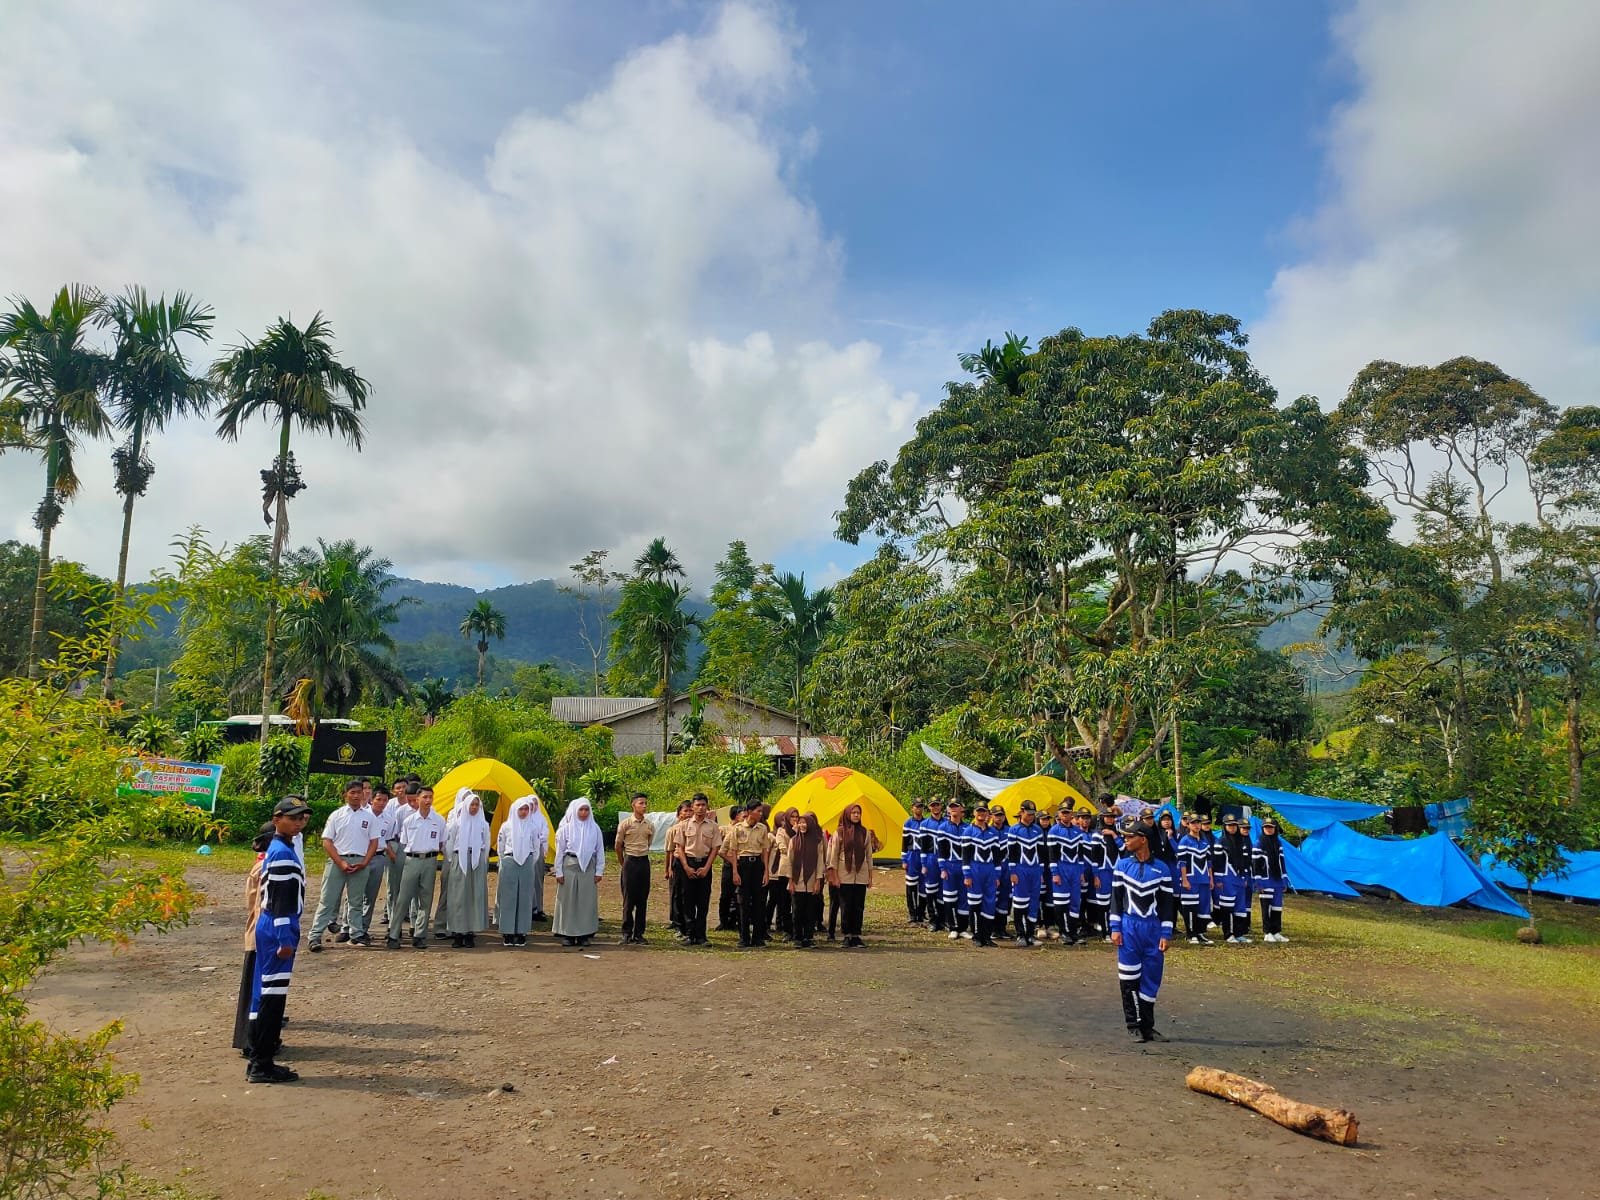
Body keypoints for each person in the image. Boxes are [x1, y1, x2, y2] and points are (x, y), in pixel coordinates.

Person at [245, 797, 310, 1083]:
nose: (299, 822)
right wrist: (285, 939)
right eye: (293, 817)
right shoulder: (283, 853)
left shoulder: (280, 846)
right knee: (272, 1000)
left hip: (270, 926)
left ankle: (258, 1059)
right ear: (277, 819)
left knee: (265, 996)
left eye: (302, 818)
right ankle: (262, 1064)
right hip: (278, 928)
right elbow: (282, 903)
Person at [1109, 816, 1175, 1042]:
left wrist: (1166, 932)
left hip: (1153, 930)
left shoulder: (1162, 869)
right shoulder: (1122, 865)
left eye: (1129, 837)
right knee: (1129, 978)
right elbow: (1116, 900)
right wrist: (1115, 927)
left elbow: (1168, 904)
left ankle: (1148, 1026)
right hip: (1129, 928)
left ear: (1143, 840)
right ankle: (1133, 1025)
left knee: (1151, 979)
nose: (1125, 840)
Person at [308, 779, 379, 951]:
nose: (355, 796)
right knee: (328, 900)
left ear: (363, 794)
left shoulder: (369, 817)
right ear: (345, 795)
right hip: (337, 861)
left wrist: (364, 862)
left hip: (360, 862)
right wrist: (340, 862)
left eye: (358, 792)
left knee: (355, 901)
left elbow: (374, 842)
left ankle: (356, 934)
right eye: (352, 792)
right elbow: (327, 841)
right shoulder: (336, 815)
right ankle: (315, 936)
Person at [232, 821, 275, 1058]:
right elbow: (258, 906)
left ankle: (255, 1040)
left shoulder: (262, 863)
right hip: (260, 936)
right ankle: (251, 1042)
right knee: (255, 994)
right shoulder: (264, 867)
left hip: (257, 934)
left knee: (256, 992)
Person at [387, 785, 446, 949]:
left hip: (430, 860)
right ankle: (393, 934)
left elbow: (441, 842)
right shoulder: (409, 821)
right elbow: (404, 842)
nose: (428, 800)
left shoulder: (439, 820)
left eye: (430, 797)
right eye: (424, 797)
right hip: (412, 860)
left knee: (425, 900)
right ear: (417, 799)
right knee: (403, 898)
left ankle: (420, 935)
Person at [553, 798, 605, 946]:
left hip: (588, 867)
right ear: (575, 811)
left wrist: (599, 870)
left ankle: (584, 934)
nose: (583, 813)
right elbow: (560, 852)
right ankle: (568, 934)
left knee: (586, 901)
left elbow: (600, 850)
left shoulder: (594, 829)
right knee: (568, 900)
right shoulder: (566, 829)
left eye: (586, 810)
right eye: (581, 810)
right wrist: (559, 872)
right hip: (570, 865)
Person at [829, 802, 880, 948]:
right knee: (846, 905)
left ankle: (856, 935)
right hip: (844, 874)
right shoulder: (839, 832)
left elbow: (869, 855)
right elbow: (834, 855)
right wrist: (834, 876)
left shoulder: (865, 832)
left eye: (858, 813)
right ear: (847, 814)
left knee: (858, 906)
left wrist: (870, 876)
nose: (856, 815)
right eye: (854, 813)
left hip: (861, 874)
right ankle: (847, 935)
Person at [497, 794, 547, 945]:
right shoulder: (506, 826)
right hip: (510, 861)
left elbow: (536, 848)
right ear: (515, 810)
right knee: (508, 897)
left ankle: (521, 931)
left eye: (526, 809)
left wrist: (530, 862)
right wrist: (505, 860)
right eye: (521, 809)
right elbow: (500, 847)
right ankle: (508, 932)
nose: (524, 812)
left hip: (527, 862)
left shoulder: (533, 827)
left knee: (525, 898)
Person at [444, 790, 490, 948]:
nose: (474, 807)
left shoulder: (483, 824)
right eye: (472, 804)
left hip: (476, 861)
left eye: (477, 804)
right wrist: (452, 859)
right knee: (458, 896)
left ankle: (470, 932)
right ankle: (458, 933)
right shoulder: (457, 823)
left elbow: (487, 844)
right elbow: (449, 845)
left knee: (474, 896)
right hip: (459, 859)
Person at [675, 793, 723, 945]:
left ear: (707, 806)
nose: (701, 808)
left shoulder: (713, 826)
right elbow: (679, 848)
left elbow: (715, 848)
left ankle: (701, 935)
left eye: (703, 805)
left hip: (705, 863)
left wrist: (707, 867)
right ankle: (689, 934)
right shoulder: (684, 825)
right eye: (697, 805)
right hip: (688, 863)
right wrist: (686, 867)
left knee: (703, 901)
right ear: (693, 807)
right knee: (687, 900)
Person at [724, 802, 773, 948]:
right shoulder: (737, 829)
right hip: (743, 864)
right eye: (758, 811)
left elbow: (765, 850)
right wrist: (735, 872)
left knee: (759, 902)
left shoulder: (762, 828)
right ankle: (744, 937)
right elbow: (733, 851)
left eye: (761, 811)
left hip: (757, 864)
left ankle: (758, 937)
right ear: (749, 811)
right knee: (743, 902)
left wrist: (766, 872)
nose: (761, 814)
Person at [614, 793, 654, 944]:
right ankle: (626, 932)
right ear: (633, 805)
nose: (644, 806)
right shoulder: (625, 824)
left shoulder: (649, 825)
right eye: (641, 803)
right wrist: (622, 862)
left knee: (642, 899)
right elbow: (618, 845)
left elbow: (648, 842)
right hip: (629, 861)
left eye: (645, 803)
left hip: (643, 861)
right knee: (628, 899)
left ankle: (639, 933)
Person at [962, 803, 1003, 947]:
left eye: (984, 811)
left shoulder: (993, 832)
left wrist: (997, 876)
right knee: (974, 904)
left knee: (990, 904)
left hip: (990, 872)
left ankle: (987, 935)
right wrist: (967, 875)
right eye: (979, 811)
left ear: (988, 814)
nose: (981, 814)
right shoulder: (968, 831)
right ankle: (976, 935)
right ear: (974, 813)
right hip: (974, 870)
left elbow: (997, 857)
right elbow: (965, 856)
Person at [361, 784, 400, 932]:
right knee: (355, 894)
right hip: (362, 857)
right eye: (379, 799)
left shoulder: (389, 820)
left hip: (378, 857)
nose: (381, 803)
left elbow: (387, 841)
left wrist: (392, 856)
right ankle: (347, 928)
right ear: (372, 799)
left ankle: (363, 929)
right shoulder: (362, 815)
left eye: (385, 800)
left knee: (371, 896)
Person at [787, 811, 827, 948]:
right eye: (800, 822)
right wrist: (790, 880)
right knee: (797, 910)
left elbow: (820, 863)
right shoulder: (793, 841)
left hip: (811, 881)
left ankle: (808, 937)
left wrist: (818, 880)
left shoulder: (817, 842)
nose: (802, 825)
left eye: (805, 823)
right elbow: (789, 862)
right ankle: (798, 937)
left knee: (810, 910)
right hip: (797, 881)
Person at [1174, 812, 1215, 945]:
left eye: (1198, 823)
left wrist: (1211, 878)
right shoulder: (1184, 841)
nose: (1197, 825)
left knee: (1203, 907)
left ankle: (1200, 932)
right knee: (1190, 907)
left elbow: (1209, 861)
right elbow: (1182, 862)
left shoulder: (1204, 842)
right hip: (1190, 879)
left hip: (1203, 879)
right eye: (1193, 823)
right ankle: (1191, 934)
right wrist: (1184, 879)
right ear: (1188, 825)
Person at [1008, 800, 1045, 946]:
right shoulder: (1014, 830)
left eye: (1032, 814)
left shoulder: (1038, 830)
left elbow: (1041, 853)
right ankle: (1020, 934)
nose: (1030, 817)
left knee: (1034, 903)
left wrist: (1041, 871)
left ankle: (1030, 934)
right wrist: (1012, 871)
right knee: (1020, 903)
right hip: (1020, 869)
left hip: (1035, 870)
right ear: (1021, 811)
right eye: (1028, 814)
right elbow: (1011, 853)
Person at [381, 781, 415, 928]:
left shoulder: (426, 811)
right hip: (397, 845)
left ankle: (412, 921)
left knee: (412, 886)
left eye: (403, 787)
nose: (401, 790)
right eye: (398, 788)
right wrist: (392, 851)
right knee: (393, 886)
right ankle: (392, 920)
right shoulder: (395, 808)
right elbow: (393, 832)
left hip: (415, 852)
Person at [1217, 815, 1254, 944]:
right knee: (1228, 907)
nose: (1232, 828)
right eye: (1229, 825)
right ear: (1225, 826)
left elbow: (1245, 861)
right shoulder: (1220, 842)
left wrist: (1244, 876)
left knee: (1240, 906)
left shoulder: (1241, 842)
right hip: (1227, 878)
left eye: (1233, 825)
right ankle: (1229, 934)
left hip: (1240, 878)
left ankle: (1239, 933)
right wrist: (1218, 879)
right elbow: (1217, 862)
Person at [1254, 817, 1290, 943]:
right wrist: (1258, 882)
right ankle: (1267, 932)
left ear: (1275, 829)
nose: (1268, 829)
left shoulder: (1278, 843)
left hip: (1277, 880)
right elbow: (1255, 864)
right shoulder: (1259, 843)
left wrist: (1285, 879)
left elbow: (1282, 862)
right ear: (1263, 829)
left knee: (1277, 907)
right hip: (1265, 880)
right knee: (1266, 907)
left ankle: (1276, 931)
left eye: (1271, 827)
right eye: (1266, 827)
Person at [938, 799, 970, 940]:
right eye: (951, 807)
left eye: (956, 806)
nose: (954, 809)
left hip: (964, 868)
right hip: (950, 867)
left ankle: (963, 928)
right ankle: (953, 927)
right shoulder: (943, 828)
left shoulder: (968, 828)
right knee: (950, 898)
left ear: (962, 809)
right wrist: (943, 868)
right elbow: (941, 851)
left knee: (964, 898)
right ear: (948, 810)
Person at [768, 807, 797, 941]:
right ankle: (787, 930)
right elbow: (783, 848)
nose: (795, 820)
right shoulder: (781, 831)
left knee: (796, 902)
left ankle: (796, 929)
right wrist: (796, 838)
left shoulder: (801, 831)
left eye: (797, 817)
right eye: (792, 817)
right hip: (784, 871)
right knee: (784, 902)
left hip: (798, 870)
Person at [917, 798, 946, 931]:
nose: (935, 807)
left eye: (937, 805)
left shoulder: (947, 823)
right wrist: (923, 864)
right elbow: (922, 846)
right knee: (930, 890)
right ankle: (933, 920)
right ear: (929, 807)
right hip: (930, 859)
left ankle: (942, 920)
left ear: (941, 806)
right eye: (932, 805)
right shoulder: (924, 824)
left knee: (943, 891)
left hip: (945, 860)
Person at [665, 800, 691, 938]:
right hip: (677, 863)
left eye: (689, 811)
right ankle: (677, 922)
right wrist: (668, 869)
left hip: (691, 861)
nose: (688, 814)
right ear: (679, 814)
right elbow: (669, 851)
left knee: (688, 895)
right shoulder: (673, 830)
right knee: (676, 894)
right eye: (685, 811)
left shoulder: (694, 827)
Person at [901, 798, 925, 924]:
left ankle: (921, 913)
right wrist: (904, 859)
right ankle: (912, 913)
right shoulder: (908, 823)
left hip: (923, 857)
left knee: (923, 886)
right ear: (912, 808)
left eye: (921, 806)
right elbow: (904, 843)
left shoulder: (926, 823)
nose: (919, 808)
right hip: (911, 856)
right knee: (911, 886)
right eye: (916, 806)